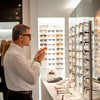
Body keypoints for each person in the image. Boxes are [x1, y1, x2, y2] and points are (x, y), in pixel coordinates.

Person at [3, 24, 47, 100]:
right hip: (20, 97)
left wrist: (35, 59)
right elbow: (32, 79)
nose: (30, 39)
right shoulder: (15, 55)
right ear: (21, 37)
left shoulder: (15, 52)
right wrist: (38, 61)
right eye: (29, 36)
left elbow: (27, 68)